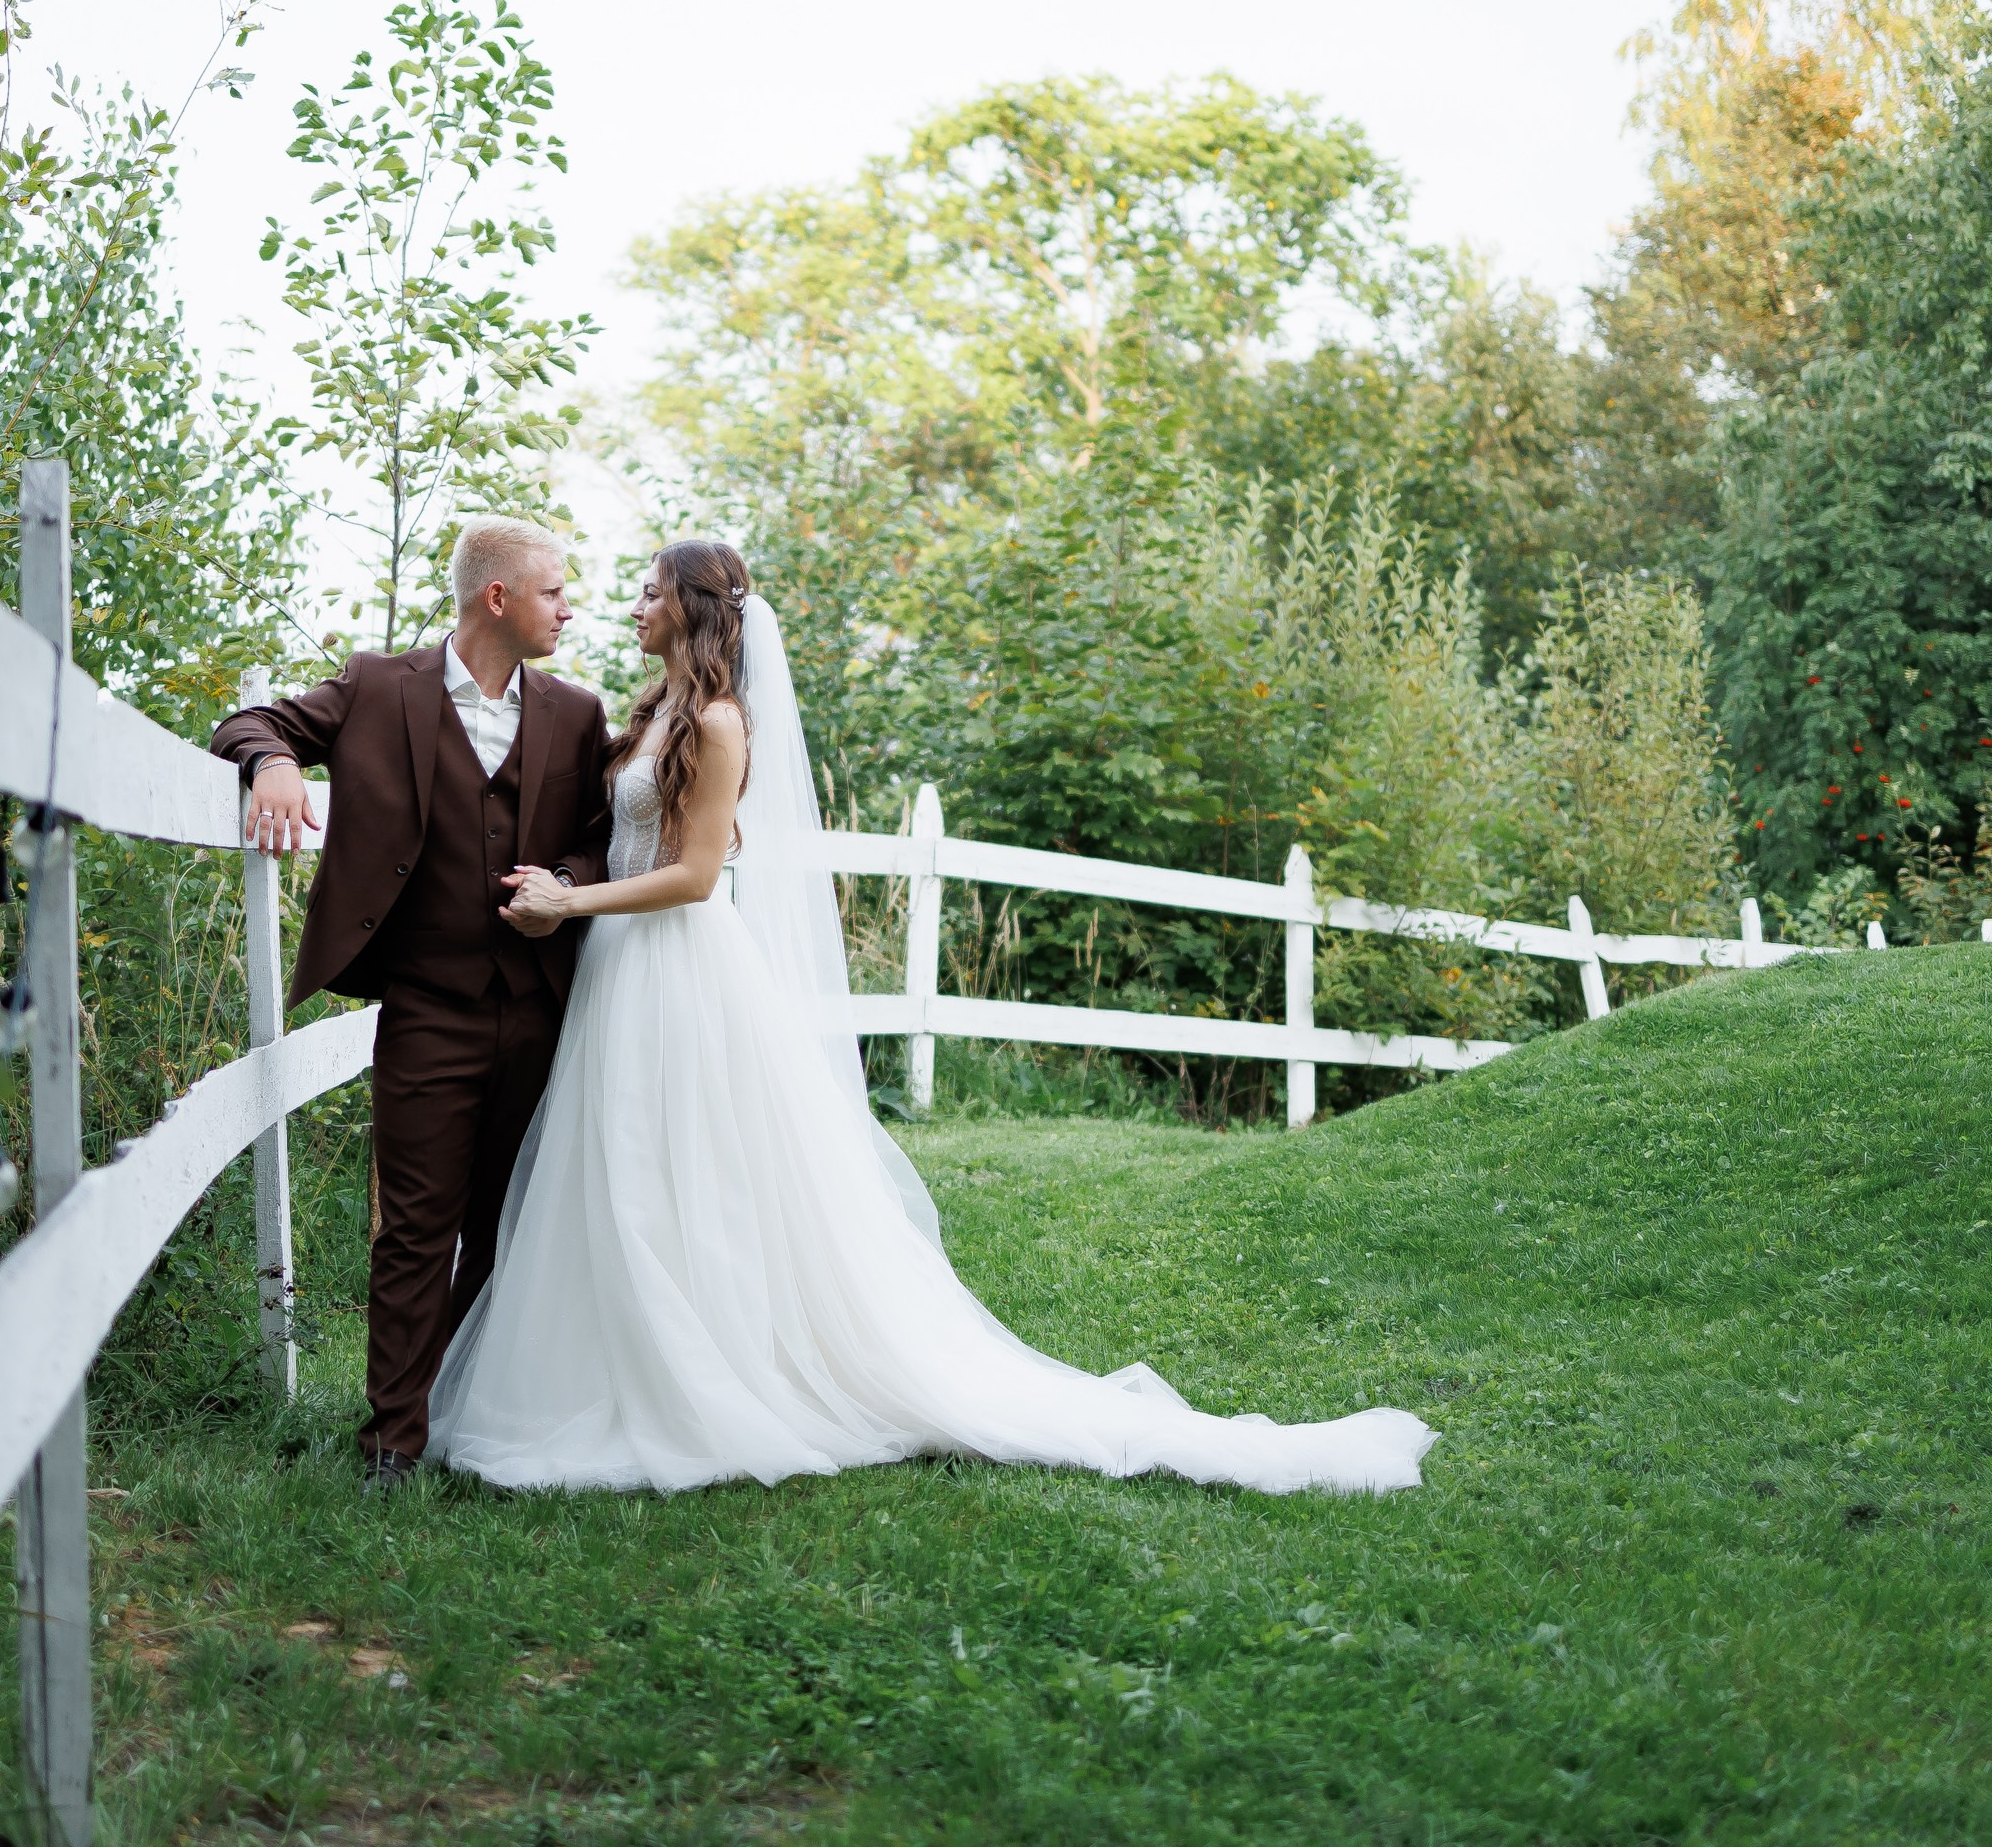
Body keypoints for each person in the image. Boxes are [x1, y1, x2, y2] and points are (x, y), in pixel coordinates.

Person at [422, 537, 1435, 1500]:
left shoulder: (721, 722)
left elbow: (691, 877)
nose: (630, 605)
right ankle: (607, 1363)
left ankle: (701, 1378)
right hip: (617, 972)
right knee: (617, 1172)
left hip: (675, 968)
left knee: (677, 1173)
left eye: (648, 590)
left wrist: (569, 904)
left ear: (688, 607)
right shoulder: (654, 712)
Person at [209, 520, 613, 1488]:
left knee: (508, 1217)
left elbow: (603, 840)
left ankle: (474, 1411)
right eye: (555, 592)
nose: (570, 608)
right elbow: (250, 721)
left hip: (541, 1005)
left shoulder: (574, 710)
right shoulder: (375, 684)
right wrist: (272, 765)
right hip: (427, 1006)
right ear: (497, 598)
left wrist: (559, 883)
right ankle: (393, 1440)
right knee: (414, 1227)